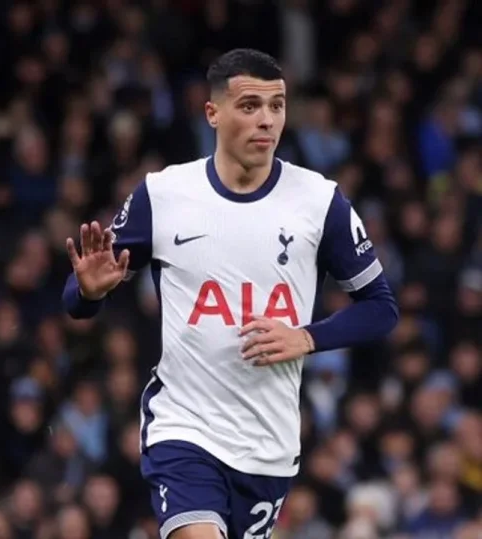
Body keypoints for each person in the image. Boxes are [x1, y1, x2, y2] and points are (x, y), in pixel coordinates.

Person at [62, 49, 399, 539]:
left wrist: (306, 338)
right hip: (184, 429)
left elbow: (381, 309)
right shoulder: (164, 195)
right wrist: (89, 292)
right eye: (249, 106)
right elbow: (76, 299)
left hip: (269, 444)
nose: (266, 120)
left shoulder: (319, 201)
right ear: (213, 113)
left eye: (277, 106)